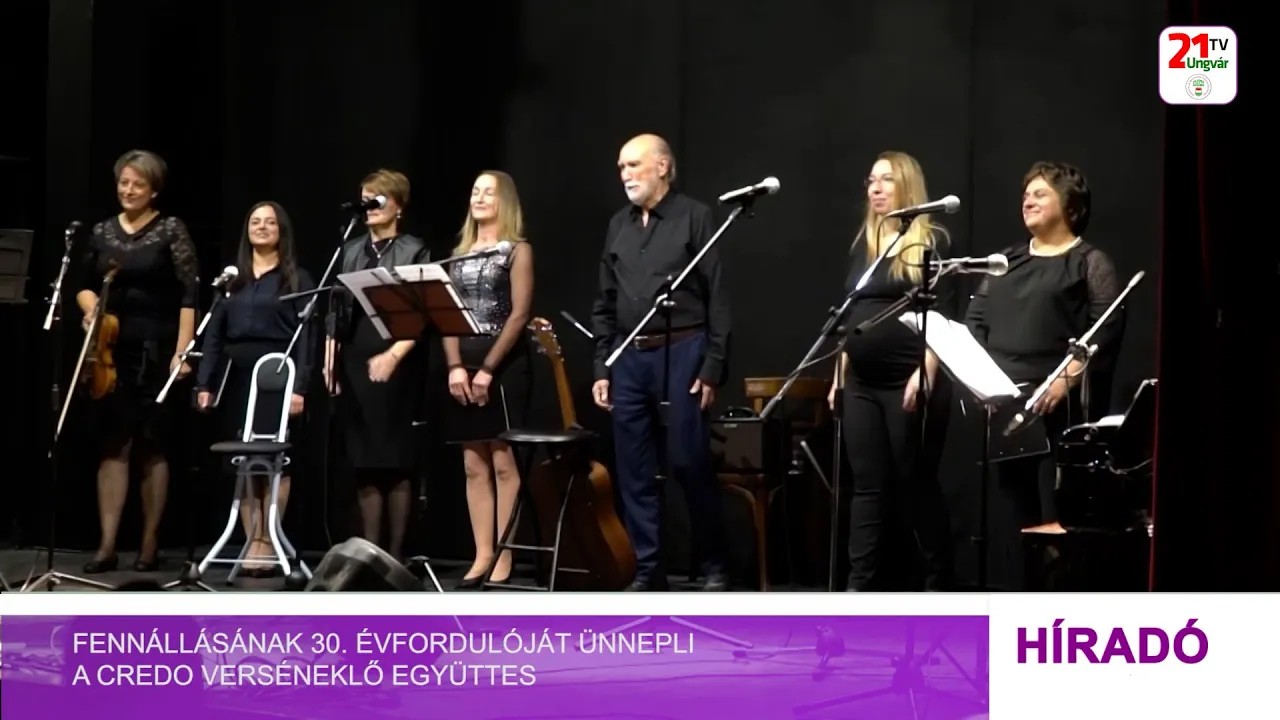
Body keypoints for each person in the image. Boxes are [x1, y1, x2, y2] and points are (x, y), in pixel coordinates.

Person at [965, 161, 1124, 591]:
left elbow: (1104, 330)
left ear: (1070, 207)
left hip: (1059, 412)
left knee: (1055, 519)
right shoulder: (1006, 262)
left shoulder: (1089, 262)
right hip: (1005, 407)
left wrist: (1063, 380)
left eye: (1041, 194)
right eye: (1026, 195)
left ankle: (1055, 610)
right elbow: (976, 319)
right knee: (1012, 519)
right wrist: (980, 381)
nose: (1028, 201)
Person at [590, 133, 729, 592]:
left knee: (689, 460)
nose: (625, 174)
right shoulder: (618, 225)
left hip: (684, 349)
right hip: (629, 356)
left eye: (634, 165)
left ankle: (713, 563)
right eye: (621, 167)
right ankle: (648, 570)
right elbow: (605, 302)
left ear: (663, 167)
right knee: (633, 469)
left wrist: (713, 364)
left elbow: (717, 296)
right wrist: (602, 366)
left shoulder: (695, 216)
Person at [827, 150, 955, 591]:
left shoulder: (932, 242)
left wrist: (925, 371)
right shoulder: (866, 244)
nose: (875, 188)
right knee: (867, 487)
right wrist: (840, 372)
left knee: (916, 483)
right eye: (871, 180)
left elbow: (943, 314)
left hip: (907, 378)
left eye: (886, 180)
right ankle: (857, 588)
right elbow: (852, 316)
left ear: (907, 186)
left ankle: (938, 584)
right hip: (861, 382)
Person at [74, 149, 200, 573]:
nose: (128, 190)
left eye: (138, 184)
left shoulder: (170, 230)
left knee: (152, 446)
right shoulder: (102, 231)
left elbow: (189, 294)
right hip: (110, 352)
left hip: (156, 349)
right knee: (113, 445)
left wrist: (182, 352)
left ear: (154, 190)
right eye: (123, 182)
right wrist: (91, 309)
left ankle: (149, 543)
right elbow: (83, 285)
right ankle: (107, 545)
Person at [195, 201, 314, 578]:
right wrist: (205, 382)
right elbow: (213, 336)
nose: (262, 227)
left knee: (276, 460)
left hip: (277, 377)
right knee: (245, 461)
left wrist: (299, 388)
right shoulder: (232, 280)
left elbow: (307, 337)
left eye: (270, 222)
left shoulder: (297, 279)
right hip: (237, 378)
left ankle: (269, 539)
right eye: (255, 222)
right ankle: (253, 539)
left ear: (282, 231)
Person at [325, 169, 429, 560]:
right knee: (364, 459)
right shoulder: (351, 249)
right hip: (356, 359)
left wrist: (394, 355)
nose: (369, 204)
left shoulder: (414, 249)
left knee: (395, 460)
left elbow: (423, 311)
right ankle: (370, 552)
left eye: (378, 198)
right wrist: (330, 353)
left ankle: (396, 555)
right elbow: (336, 306)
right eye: (365, 196)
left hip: (397, 360)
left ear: (398, 206)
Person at [441, 171, 535, 588]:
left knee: (502, 460)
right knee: (472, 464)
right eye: (475, 191)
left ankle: (504, 552)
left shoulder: (517, 250)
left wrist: (488, 370)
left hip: (504, 363)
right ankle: (481, 554)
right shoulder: (457, 255)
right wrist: (454, 366)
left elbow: (519, 314)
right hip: (463, 364)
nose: (479, 198)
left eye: (488, 192)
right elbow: (445, 314)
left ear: (505, 201)